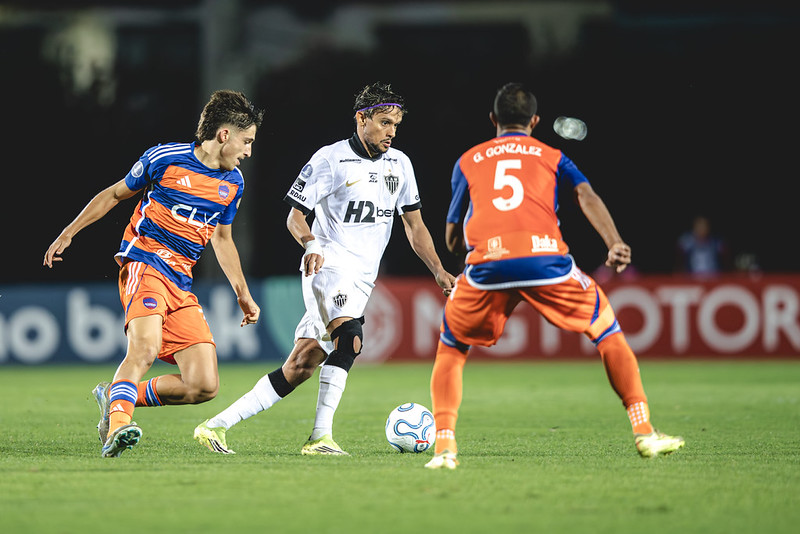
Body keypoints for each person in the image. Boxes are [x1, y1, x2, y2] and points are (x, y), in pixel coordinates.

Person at [424, 83, 684, 470]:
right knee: (606, 329)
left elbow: (451, 239)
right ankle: (644, 430)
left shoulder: (468, 160)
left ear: (493, 119)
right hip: (544, 258)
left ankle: (445, 448)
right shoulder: (552, 155)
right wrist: (614, 242)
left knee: (452, 346)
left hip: (487, 265)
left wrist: (476, 244)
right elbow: (586, 195)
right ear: (535, 121)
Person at [193, 82, 456, 455]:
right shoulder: (330, 160)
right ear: (361, 119)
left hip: (362, 278)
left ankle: (215, 426)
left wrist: (438, 270)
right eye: (384, 123)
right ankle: (320, 438)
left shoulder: (400, 165)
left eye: (396, 125)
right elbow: (295, 217)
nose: (391, 132)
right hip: (327, 266)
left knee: (300, 365)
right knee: (350, 339)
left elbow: (415, 226)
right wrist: (312, 244)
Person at [43, 90, 264, 458]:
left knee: (203, 385)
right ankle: (117, 426)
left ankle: (116, 396)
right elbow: (114, 194)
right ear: (224, 134)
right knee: (144, 349)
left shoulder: (234, 183)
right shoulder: (165, 158)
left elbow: (222, 238)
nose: (249, 151)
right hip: (144, 263)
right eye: (247, 141)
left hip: (180, 282)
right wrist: (69, 232)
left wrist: (242, 292)